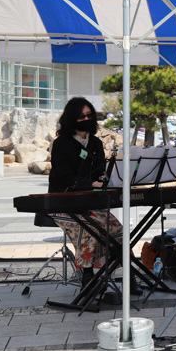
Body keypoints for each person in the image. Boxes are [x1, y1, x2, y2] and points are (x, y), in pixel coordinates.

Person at [48, 97, 126, 292]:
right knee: (88, 230)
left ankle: (128, 274)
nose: (86, 119)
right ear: (71, 118)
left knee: (117, 228)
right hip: (63, 202)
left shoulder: (96, 143)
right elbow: (65, 176)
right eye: (81, 116)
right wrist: (91, 183)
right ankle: (88, 277)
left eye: (89, 115)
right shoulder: (61, 144)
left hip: (90, 202)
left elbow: (101, 172)